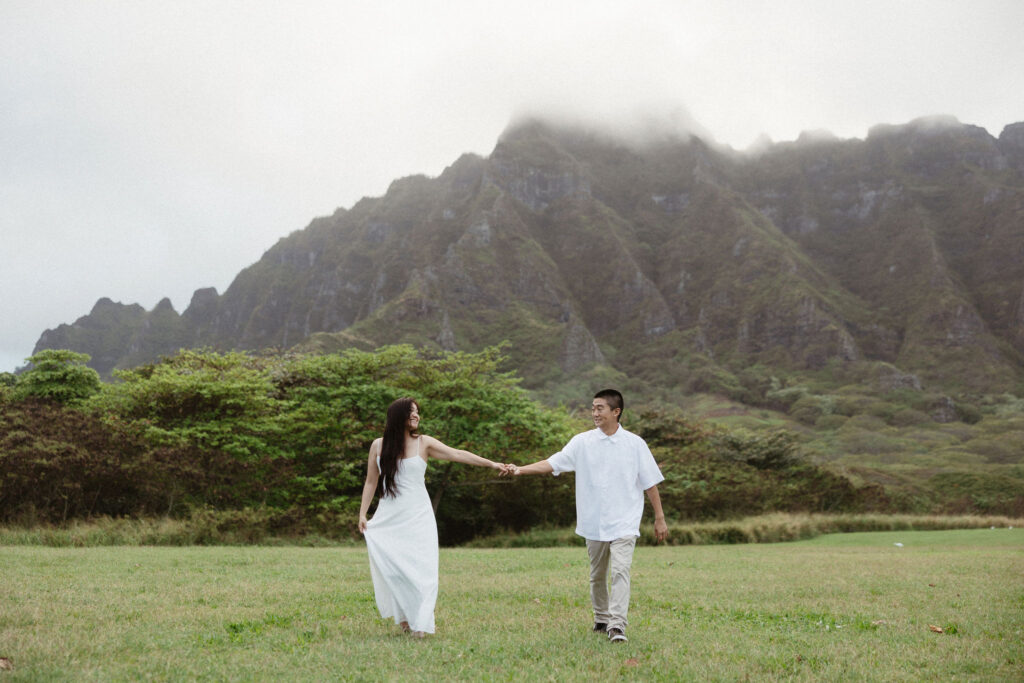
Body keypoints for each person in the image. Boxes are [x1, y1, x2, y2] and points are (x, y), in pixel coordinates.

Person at [512, 389, 668, 643]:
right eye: (593, 408)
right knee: (597, 574)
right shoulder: (582, 442)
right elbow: (553, 463)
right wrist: (520, 470)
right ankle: (601, 618)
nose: (594, 413)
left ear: (616, 412)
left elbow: (650, 483)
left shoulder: (635, 444)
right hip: (593, 520)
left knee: (620, 571)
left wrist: (659, 517)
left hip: (625, 520)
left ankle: (617, 626)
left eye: (600, 408)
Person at [358, 397, 513, 637]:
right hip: (390, 516)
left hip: (418, 515)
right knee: (395, 568)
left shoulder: (424, 443)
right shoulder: (378, 445)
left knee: (423, 568)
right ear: (398, 415)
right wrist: (362, 513)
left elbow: (458, 454)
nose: (416, 416)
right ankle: (405, 620)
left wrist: (492, 464)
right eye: (412, 412)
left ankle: (421, 622)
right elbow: (371, 481)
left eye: (418, 412)